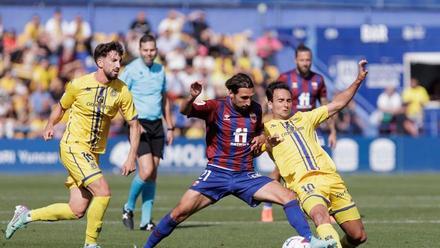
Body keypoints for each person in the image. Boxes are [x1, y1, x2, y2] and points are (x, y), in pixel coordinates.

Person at [143, 73, 336, 248]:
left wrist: (263, 138)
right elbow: (185, 111)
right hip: (217, 173)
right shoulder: (215, 107)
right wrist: (192, 96)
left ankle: (311, 242)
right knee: (178, 213)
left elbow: (259, 132)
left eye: (250, 96)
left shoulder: (256, 109)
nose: (247, 102)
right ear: (230, 93)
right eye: (243, 97)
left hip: (245, 175)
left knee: (289, 197)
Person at [4, 41, 141, 248]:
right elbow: (60, 107)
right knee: (103, 191)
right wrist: (50, 124)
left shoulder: (121, 91)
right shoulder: (79, 84)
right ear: (99, 62)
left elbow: (134, 125)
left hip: (92, 153)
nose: (117, 64)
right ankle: (90, 245)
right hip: (73, 146)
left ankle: (25, 216)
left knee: (76, 209)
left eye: (120, 60)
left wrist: (131, 157)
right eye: (113, 60)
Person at [263, 60, 369, 248]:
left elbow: (337, 104)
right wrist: (266, 143)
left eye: (288, 100)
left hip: (332, 179)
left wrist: (358, 79)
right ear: (269, 103)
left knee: (358, 236)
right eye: (280, 101)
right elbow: (250, 149)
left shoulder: (305, 118)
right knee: (320, 216)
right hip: (304, 183)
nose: (286, 105)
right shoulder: (265, 128)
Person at [261, 44, 337, 222]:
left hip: (306, 130)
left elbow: (326, 106)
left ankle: (324, 209)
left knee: (318, 167)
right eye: (302, 60)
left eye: (308, 60)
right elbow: (271, 98)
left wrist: (333, 131)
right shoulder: (285, 78)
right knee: (279, 169)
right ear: (295, 60)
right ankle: (267, 207)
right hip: (285, 128)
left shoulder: (318, 80)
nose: (305, 63)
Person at [120, 34, 174, 231]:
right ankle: (128, 207)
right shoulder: (131, 70)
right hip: (138, 125)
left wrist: (170, 126)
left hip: (157, 126)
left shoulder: (160, 69)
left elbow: (164, 99)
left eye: (152, 50)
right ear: (139, 50)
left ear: (156, 50)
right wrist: (132, 121)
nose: (149, 53)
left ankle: (146, 221)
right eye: (145, 50)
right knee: (146, 170)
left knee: (153, 174)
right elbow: (120, 96)